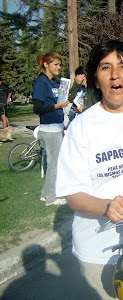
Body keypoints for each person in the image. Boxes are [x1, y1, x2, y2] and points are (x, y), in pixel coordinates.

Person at [55, 40, 123, 299]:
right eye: (106, 67)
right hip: (102, 252)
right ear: (95, 80)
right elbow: (73, 194)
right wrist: (106, 206)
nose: (115, 75)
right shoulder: (82, 127)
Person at [32, 52, 70, 206]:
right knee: (54, 163)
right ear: (46, 65)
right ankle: (50, 198)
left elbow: (59, 100)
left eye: (60, 65)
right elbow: (37, 108)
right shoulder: (41, 82)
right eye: (56, 64)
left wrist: (62, 102)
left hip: (57, 126)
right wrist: (57, 106)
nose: (59, 68)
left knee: (55, 162)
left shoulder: (54, 82)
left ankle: (45, 194)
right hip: (49, 128)